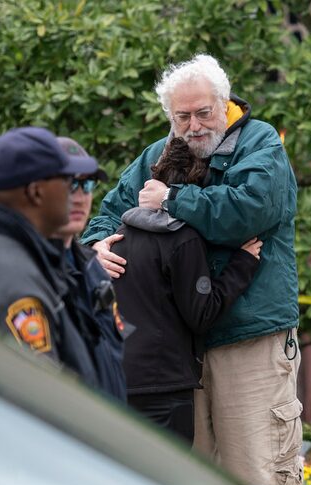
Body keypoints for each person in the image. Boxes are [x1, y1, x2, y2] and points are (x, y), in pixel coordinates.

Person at [82, 54, 302, 485]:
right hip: (179, 354)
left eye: (204, 112)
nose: (194, 125)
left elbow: (249, 211)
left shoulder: (260, 144)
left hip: (249, 340)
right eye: (182, 116)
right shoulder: (155, 156)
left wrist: (173, 200)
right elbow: (105, 215)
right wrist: (96, 249)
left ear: (225, 104)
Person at [111, 137, 262, 444]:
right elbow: (202, 313)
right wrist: (243, 264)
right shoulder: (183, 238)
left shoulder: (120, 235)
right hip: (164, 386)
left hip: (119, 378)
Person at [0, 126, 104, 393]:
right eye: (67, 181)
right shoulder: (7, 279)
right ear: (36, 192)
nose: (77, 195)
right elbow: (35, 400)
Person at [50, 136, 128, 402]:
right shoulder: (22, 266)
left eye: (87, 184)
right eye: (70, 184)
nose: (81, 196)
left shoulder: (91, 266)